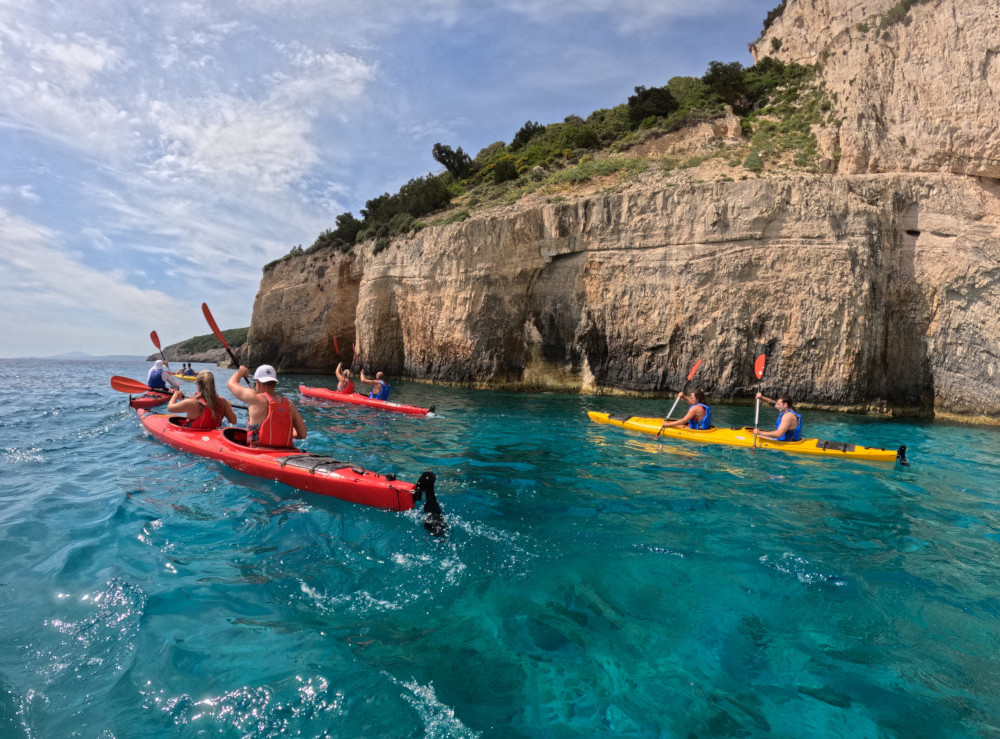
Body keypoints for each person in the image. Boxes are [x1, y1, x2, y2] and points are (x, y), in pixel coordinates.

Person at [227, 364, 307, 448]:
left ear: (258, 384)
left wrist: (241, 371)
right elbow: (302, 434)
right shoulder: (290, 404)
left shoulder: (254, 398)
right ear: (275, 384)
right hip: (286, 452)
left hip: (260, 452)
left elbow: (231, 383)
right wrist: (281, 432)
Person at [167, 370, 237, 430]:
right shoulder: (223, 401)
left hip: (194, 436)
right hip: (213, 436)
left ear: (198, 385)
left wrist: (175, 395)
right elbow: (233, 421)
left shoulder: (191, 403)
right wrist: (228, 406)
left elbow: (170, 408)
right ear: (212, 385)